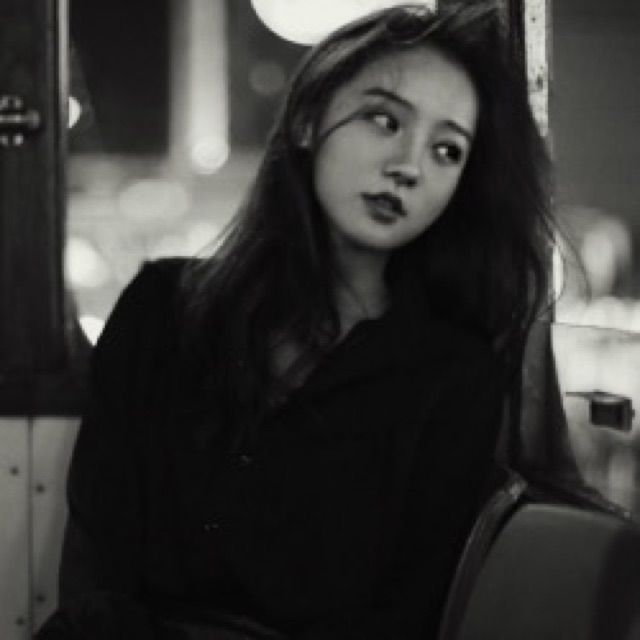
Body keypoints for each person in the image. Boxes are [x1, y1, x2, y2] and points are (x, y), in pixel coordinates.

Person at [37, 2, 555, 639]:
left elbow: (402, 620)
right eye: (384, 120)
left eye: (446, 150)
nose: (409, 165)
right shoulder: (161, 311)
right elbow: (97, 564)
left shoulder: (453, 375)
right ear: (308, 119)